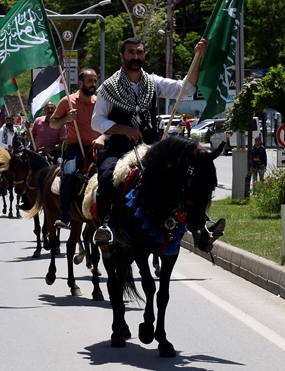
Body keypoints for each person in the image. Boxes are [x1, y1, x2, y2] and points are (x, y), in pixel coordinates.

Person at [91, 37, 206, 250]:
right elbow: (97, 121)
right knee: (107, 174)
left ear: (144, 55)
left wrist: (197, 56)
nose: (135, 56)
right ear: (122, 56)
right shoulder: (108, 87)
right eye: (131, 52)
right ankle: (107, 225)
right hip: (120, 144)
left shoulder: (153, 82)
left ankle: (200, 225)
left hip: (153, 144)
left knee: (187, 169)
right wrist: (123, 129)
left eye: (139, 52)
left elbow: (187, 89)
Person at [50, 69, 98, 229]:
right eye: (90, 81)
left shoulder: (99, 102)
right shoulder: (67, 101)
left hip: (96, 146)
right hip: (75, 147)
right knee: (69, 174)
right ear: (81, 83)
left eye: (95, 81)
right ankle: (64, 213)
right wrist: (67, 118)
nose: (94, 84)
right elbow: (53, 123)